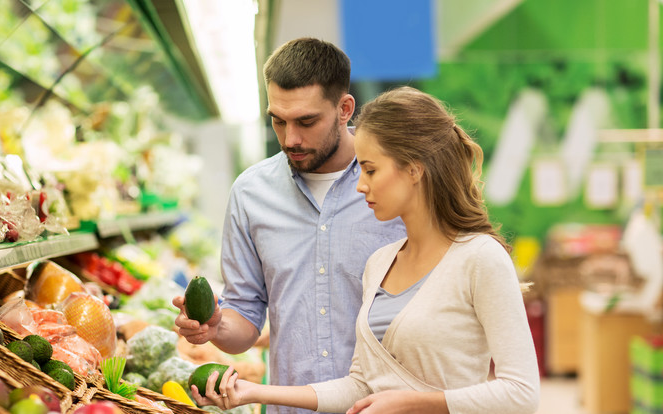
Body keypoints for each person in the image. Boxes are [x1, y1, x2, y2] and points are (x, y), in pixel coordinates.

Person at [190, 86, 541, 414]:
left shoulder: (479, 258)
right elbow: (360, 386)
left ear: (415, 169)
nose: (360, 185)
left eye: (370, 169)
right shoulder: (381, 263)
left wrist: (415, 404)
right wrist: (253, 392)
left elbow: (521, 393)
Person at [172, 38, 407, 414]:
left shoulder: (395, 187)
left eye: (306, 121)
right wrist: (216, 327)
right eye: (277, 121)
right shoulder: (251, 194)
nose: (290, 139)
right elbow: (245, 319)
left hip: (387, 405)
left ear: (345, 109)